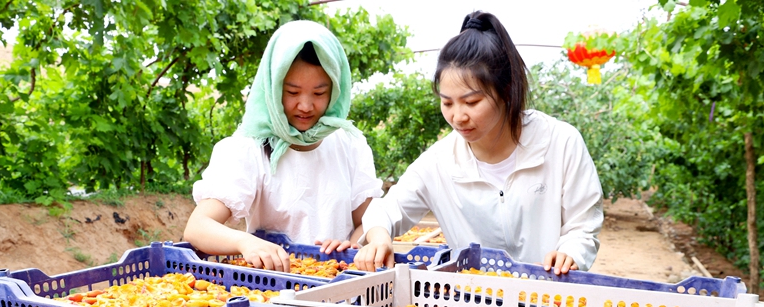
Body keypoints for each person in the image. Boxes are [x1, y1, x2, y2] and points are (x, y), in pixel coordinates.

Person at [354, 11, 604, 275]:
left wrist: (570, 253)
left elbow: (583, 226)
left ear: (506, 91)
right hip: (474, 295)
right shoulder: (440, 162)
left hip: (549, 290)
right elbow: (386, 210)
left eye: (471, 102)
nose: (458, 117)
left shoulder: (560, 143)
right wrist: (379, 238)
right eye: (447, 103)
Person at [184, 20, 384, 272]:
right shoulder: (249, 148)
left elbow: (367, 221)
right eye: (292, 92)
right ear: (273, 87)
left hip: (338, 282)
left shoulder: (349, 144)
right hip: (274, 285)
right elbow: (198, 227)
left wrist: (353, 245)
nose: (305, 106)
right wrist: (246, 242)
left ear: (335, 90)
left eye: (319, 93)